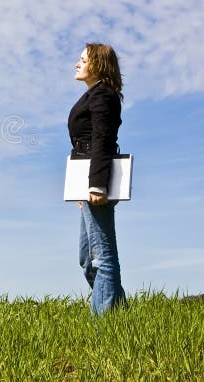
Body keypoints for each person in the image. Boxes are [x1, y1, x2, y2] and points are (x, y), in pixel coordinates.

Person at [68, 42, 126, 315]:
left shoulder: (104, 96)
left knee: (102, 256)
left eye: (82, 60)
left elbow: (102, 140)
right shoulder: (93, 95)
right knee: (87, 260)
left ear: (98, 65)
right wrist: (80, 188)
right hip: (85, 180)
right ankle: (121, 314)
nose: (77, 64)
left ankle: (104, 327)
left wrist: (97, 185)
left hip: (96, 178)